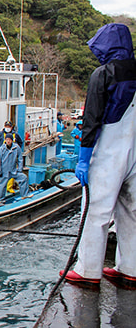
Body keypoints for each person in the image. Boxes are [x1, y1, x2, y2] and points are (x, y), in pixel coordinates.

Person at [61, 23, 136, 286]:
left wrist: (83, 159)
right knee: (132, 212)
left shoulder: (103, 74)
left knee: (96, 212)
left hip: (108, 151)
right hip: (135, 152)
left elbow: (91, 119)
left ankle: (88, 271)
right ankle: (130, 268)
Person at [0, 134, 29, 201]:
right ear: (5, 140)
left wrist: (19, 170)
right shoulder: (1, 149)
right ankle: (0, 200)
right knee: (1, 186)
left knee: (23, 178)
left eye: (9, 139)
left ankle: (25, 196)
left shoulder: (16, 148)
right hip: (4, 172)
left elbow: (20, 159)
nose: (8, 141)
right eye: (7, 139)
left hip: (13, 171)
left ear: (12, 140)